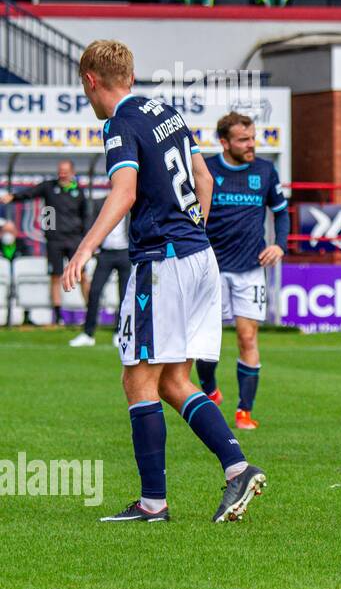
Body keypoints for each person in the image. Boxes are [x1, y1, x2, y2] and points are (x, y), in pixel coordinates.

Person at [64, 40, 265, 523]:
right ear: (129, 76)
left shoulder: (120, 124)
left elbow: (125, 190)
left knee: (138, 377)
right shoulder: (166, 112)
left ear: (91, 80)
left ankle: (154, 502)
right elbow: (205, 179)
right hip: (199, 256)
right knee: (174, 379)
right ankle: (236, 467)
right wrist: (193, 227)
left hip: (164, 262)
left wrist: (86, 246)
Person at [191, 113, 289, 430]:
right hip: (212, 268)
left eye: (252, 138)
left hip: (250, 269)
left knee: (248, 337)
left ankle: (244, 411)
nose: (251, 145)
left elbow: (281, 212)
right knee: (208, 339)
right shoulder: (207, 170)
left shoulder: (265, 170)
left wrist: (281, 245)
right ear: (224, 142)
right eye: (243, 140)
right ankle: (209, 389)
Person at [1, 159, 90, 324]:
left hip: (74, 240)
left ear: (72, 173)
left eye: (65, 171)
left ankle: (91, 312)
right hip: (55, 240)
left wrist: (88, 241)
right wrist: (12, 197)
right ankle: (57, 317)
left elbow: (86, 217)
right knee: (55, 276)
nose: (62, 174)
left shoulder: (79, 191)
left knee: (82, 275)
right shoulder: (49, 187)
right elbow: (29, 193)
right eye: (60, 170)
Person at [69, 203, 129, 347]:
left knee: (125, 295)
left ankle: (120, 333)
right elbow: (92, 225)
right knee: (94, 291)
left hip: (125, 253)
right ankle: (88, 333)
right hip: (105, 253)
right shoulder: (103, 204)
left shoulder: (131, 205)